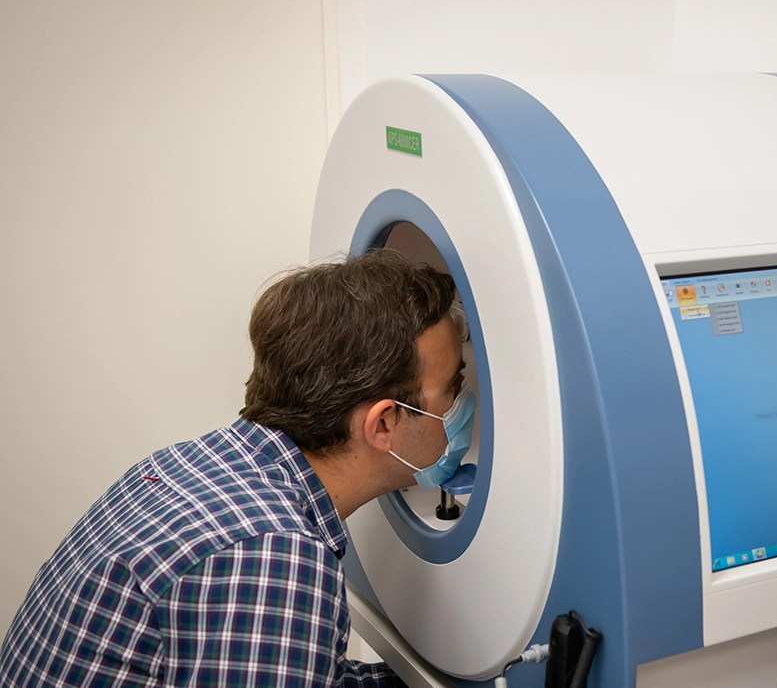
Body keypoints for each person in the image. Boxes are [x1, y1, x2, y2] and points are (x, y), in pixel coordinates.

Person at [0, 250, 475, 687]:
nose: (465, 400)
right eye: (452, 387)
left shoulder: (185, 465)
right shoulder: (273, 558)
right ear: (383, 423)